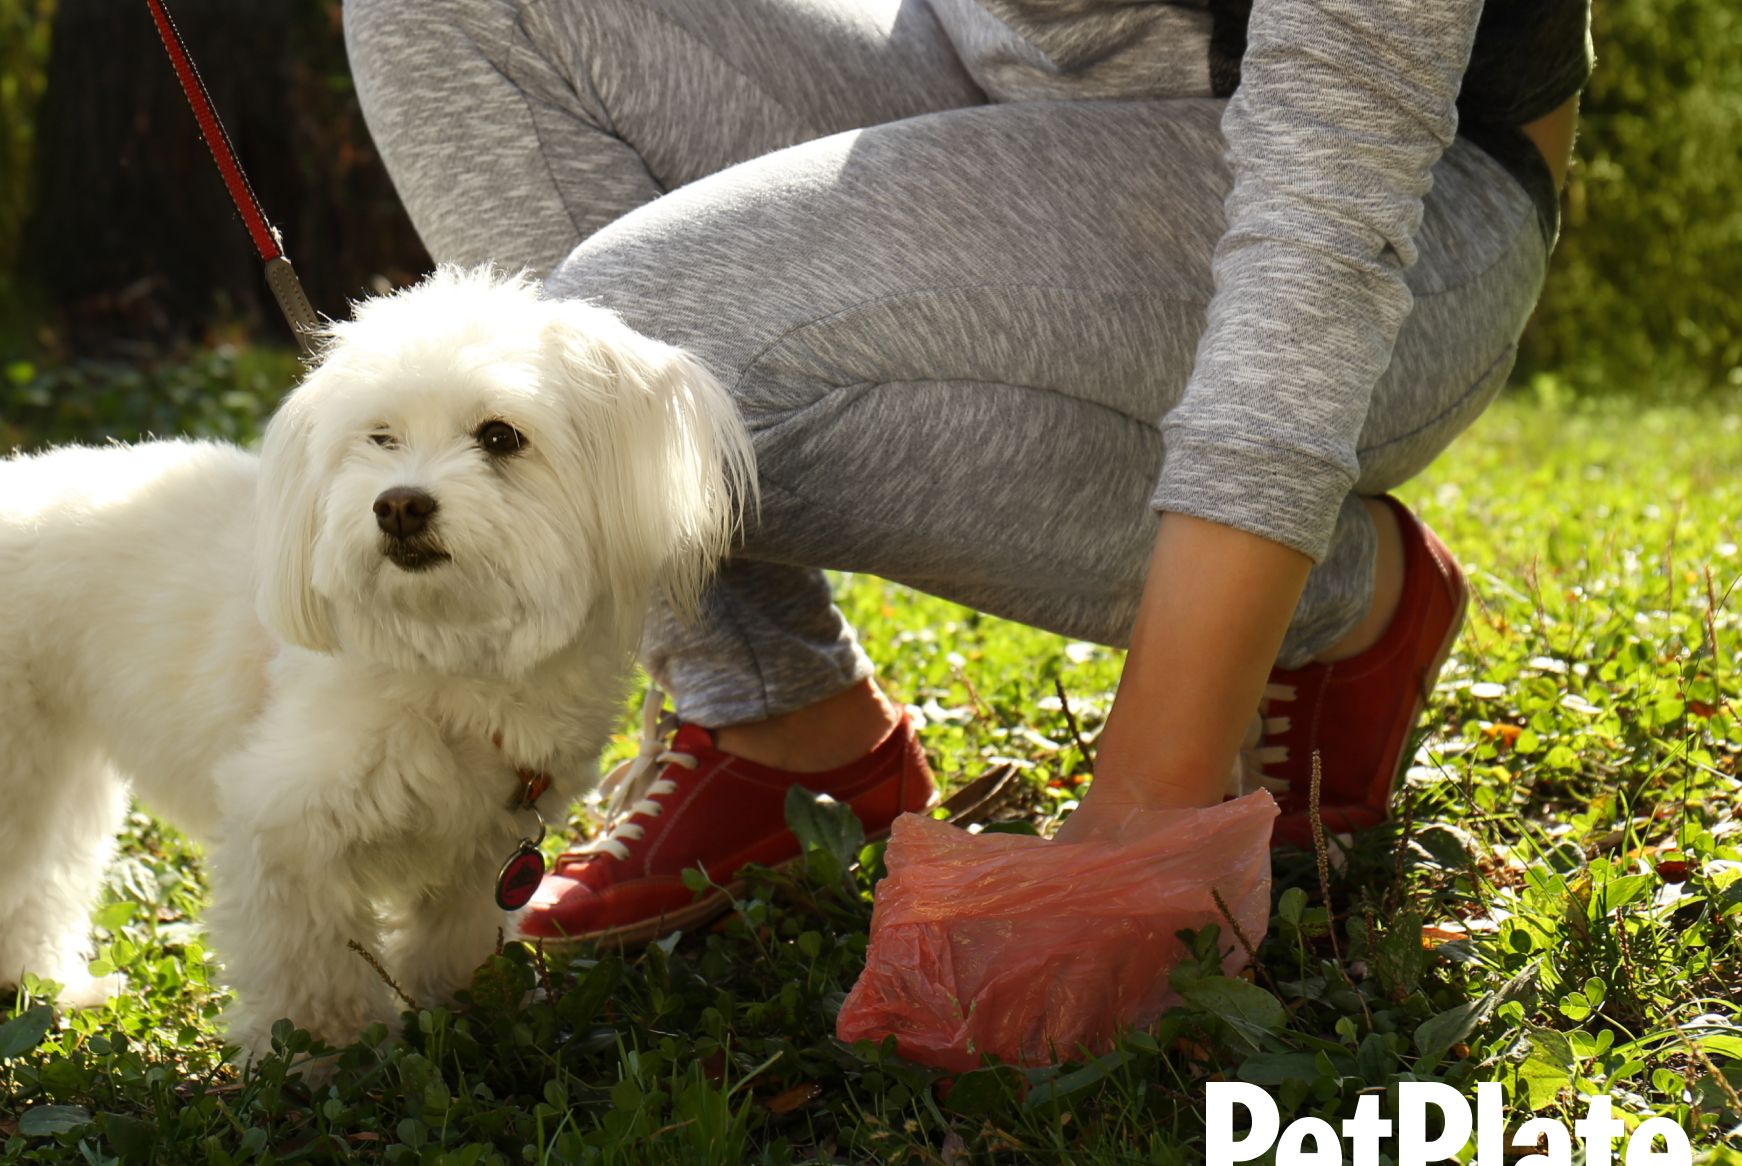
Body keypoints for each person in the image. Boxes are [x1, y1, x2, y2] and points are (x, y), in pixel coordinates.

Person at [341, 0, 1586, 949]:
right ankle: (779, 712)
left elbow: (1337, 175)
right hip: (976, 70)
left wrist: (1148, 817)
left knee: (619, 370)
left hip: (1399, 189)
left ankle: (1342, 593)